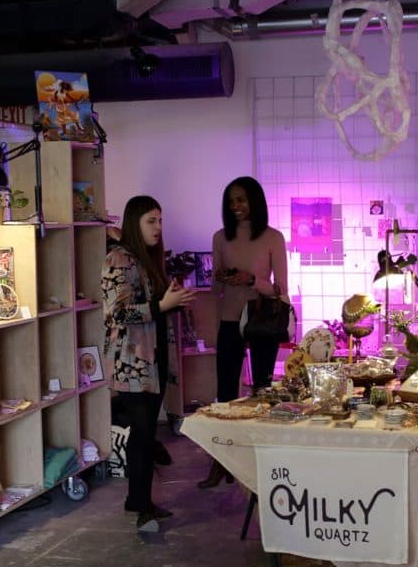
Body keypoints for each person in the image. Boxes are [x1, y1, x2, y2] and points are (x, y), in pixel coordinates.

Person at [103, 195, 195, 532]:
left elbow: (152, 306)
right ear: (134, 223)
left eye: (160, 220)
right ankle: (140, 504)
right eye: (150, 221)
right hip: (131, 363)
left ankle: (138, 500)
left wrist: (172, 300)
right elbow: (118, 313)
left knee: (145, 435)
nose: (158, 228)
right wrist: (162, 304)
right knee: (143, 435)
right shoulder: (118, 259)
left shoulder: (145, 260)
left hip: (151, 360)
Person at [198, 176, 289, 489]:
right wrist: (223, 277)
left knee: (263, 391)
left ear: (255, 201)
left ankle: (260, 460)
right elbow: (215, 289)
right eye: (231, 201)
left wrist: (253, 280)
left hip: (263, 319)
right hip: (228, 321)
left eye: (241, 200)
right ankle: (222, 461)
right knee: (225, 394)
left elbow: (281, 291)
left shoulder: (273, 237)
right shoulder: (220, 237)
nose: (235, 206)